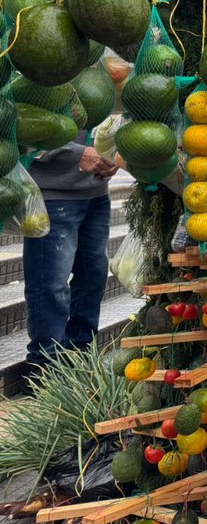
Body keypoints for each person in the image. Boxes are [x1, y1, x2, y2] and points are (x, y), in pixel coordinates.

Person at [24, 134, 117, 379]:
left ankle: (79, 354)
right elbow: (21, 131)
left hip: (96, 192)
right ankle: (44, 367)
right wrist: (76, 153)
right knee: (51, 282)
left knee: (93, 275)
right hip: (52, 194)